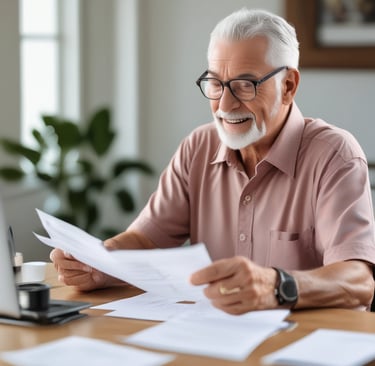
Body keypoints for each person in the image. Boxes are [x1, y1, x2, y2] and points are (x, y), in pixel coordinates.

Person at [50, 8, 375, 313]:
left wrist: (277, 286)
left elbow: (359, 281)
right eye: (216, 84)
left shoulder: (335, 154)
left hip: (309, 342)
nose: (225, 104)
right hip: (214, 338)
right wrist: (99, 263)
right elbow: (145, 239)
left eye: (246, 85)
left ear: (288, 85)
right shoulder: (198, 146)